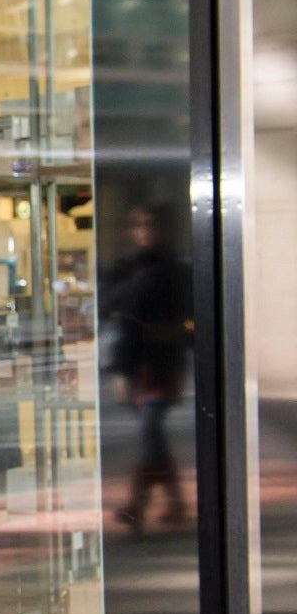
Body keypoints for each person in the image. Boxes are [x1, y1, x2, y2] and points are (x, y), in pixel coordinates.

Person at [102, 203, 190, 532]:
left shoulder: (172, 269)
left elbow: (181, 320)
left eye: (150, 226)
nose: (144, 233)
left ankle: (138, 504)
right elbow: (115, 314)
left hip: (163, 364)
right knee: (153, 435)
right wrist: (122, 370)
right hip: (136, 363)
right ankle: (174, 503)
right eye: (139, 226)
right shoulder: (128, 268)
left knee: (151, 428)